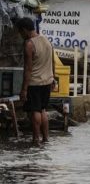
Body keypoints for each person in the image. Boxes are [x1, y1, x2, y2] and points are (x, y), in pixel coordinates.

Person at [16, 17, 55, 146]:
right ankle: (46, 138)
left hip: (34, 83)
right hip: (47, 82)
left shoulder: (29, 44)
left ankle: (35, 139)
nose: (21, 35)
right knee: (43, 110)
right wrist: (52, 77)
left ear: (25, 30)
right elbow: (52, 62)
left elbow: (28, 69)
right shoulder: (46, 40)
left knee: (35, 112)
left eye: (21, 32)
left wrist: (24, 89)